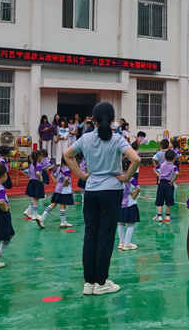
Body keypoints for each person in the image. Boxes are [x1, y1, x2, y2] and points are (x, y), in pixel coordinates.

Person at [62, 102, 140, 296]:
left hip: (91, 191)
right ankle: (101, 282)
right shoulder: (117, 139)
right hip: (111, 191)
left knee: (90, 235)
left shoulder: (86, 138)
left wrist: (81, 175)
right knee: (105, 236)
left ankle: (89, 282)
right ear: (112, 119)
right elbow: (136, 159)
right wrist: (126, 178)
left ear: (93, 120)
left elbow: (67, 155)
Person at [37, 163, 76, 229]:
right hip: (64, 190)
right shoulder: (66, 169)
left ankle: (42, 218)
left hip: (58, 188)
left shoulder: (59, 167)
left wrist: (57, 182)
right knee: (63, 205)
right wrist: (64, 183)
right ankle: (63, 222)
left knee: (53, 204)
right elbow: (67, 178)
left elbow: (52, 174)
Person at [117, 156, 141, 251]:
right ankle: (127, 244)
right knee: (131, 224)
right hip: (130, 203)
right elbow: (138, 188)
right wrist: (134, 195)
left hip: (119, 203)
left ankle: (121, 243)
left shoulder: (117, 178)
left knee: (121, 223)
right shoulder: (130, 178)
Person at [154, 149, 179, 222]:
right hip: (169, 184)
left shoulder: (162, 165)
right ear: (174, 159)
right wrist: (173, 181)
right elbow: (177, 173)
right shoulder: (174, 167)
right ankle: (167, 215)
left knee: (160, 200)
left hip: (161, 183)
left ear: (165, 158)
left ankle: (159, 216)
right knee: (168, 200)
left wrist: (159, 176)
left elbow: (154, 169)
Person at [23, 151, 45, 220]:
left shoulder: (31, 164)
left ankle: (28, 210)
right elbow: (38, 173)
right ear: (39, 157)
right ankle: (35, 214)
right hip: (37, 182)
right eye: (41, 157)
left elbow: (25, 172)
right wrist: (40, 179)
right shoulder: (38, 165)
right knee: (36, 199)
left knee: (35, 198)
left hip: (32, 182)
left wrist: (30, 176)